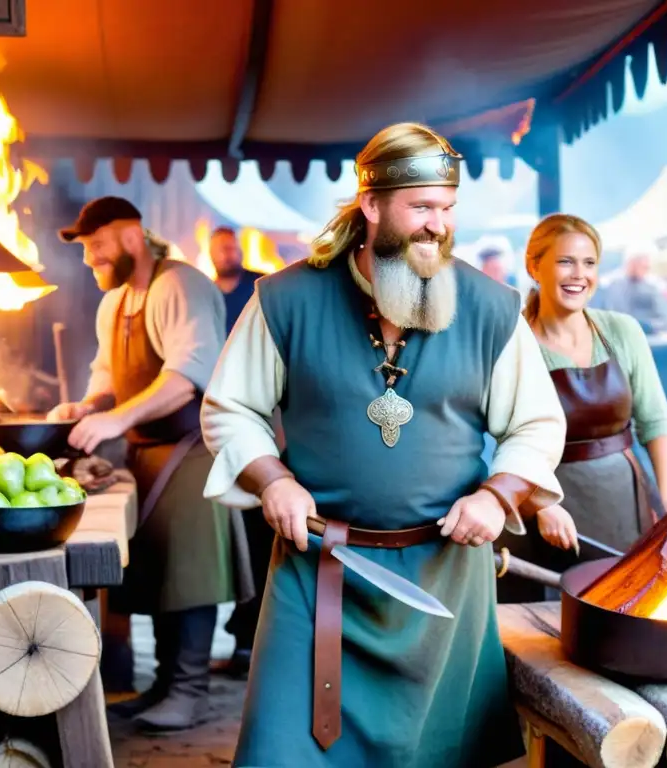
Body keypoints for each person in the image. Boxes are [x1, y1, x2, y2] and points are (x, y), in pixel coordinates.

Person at [199, 122, 567, 766]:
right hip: (318, 569)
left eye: (447, 209)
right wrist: (273, 479)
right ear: (371, 206)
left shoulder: (491, 308)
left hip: (445, 581)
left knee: (434, 754)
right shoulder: (285, 300)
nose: (437, 225)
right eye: (421, 207)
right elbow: (231, 409)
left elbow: (536, 424)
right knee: (283, 753)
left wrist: (496, 494)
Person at [48, 196, 233, 729]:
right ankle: (164, 688)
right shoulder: (116, 302)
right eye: (86, 250)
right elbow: (107, 376)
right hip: (145, 452)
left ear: (132, 236)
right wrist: (87, 407)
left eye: (97, 246)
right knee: (159, 570)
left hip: (194, 451)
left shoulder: (181, 285)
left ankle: (190, 690)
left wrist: (115, 422)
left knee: (191, 571)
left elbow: (184, 379)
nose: (90, 260)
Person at [494, 214, 667, 603]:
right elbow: (501, 435)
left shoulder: (622, 331)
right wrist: (539, 504)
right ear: (534, 266)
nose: (579, 274)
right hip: (545, 498)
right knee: (545, 622)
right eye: (565, 261)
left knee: (626, 604)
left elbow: (654, 420)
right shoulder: (512, 340)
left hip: (622, 498)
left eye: (589, 263)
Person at [207, 225, 270, 678]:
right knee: (237, 547)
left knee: (261, 542)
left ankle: (254, 645)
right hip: (226, 424)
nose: (227, 253)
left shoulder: (261, 289)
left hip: (270, 428)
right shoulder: (209, 295)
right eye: (220, 247)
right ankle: (241, 640)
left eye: (232, 246)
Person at [209, 226, 264, 333]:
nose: (225, 255)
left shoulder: (262, 285)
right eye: (219, 249)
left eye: (229, 248)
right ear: (211, 254)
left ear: (240, 250)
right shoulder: (207, 295)